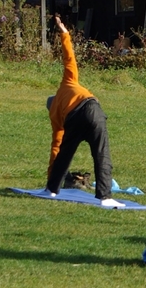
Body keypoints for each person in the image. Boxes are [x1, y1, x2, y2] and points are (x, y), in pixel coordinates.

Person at [42, 14, 124, 208]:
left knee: (64, 154)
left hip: (73, 119)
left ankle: (51, 189)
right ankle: (105, 197)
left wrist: (50, 176)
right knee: (101, 154)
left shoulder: (56, 116)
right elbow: (69, 58)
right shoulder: (67, 83)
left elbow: (56, 146)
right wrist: (65, 34)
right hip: (92, 109)